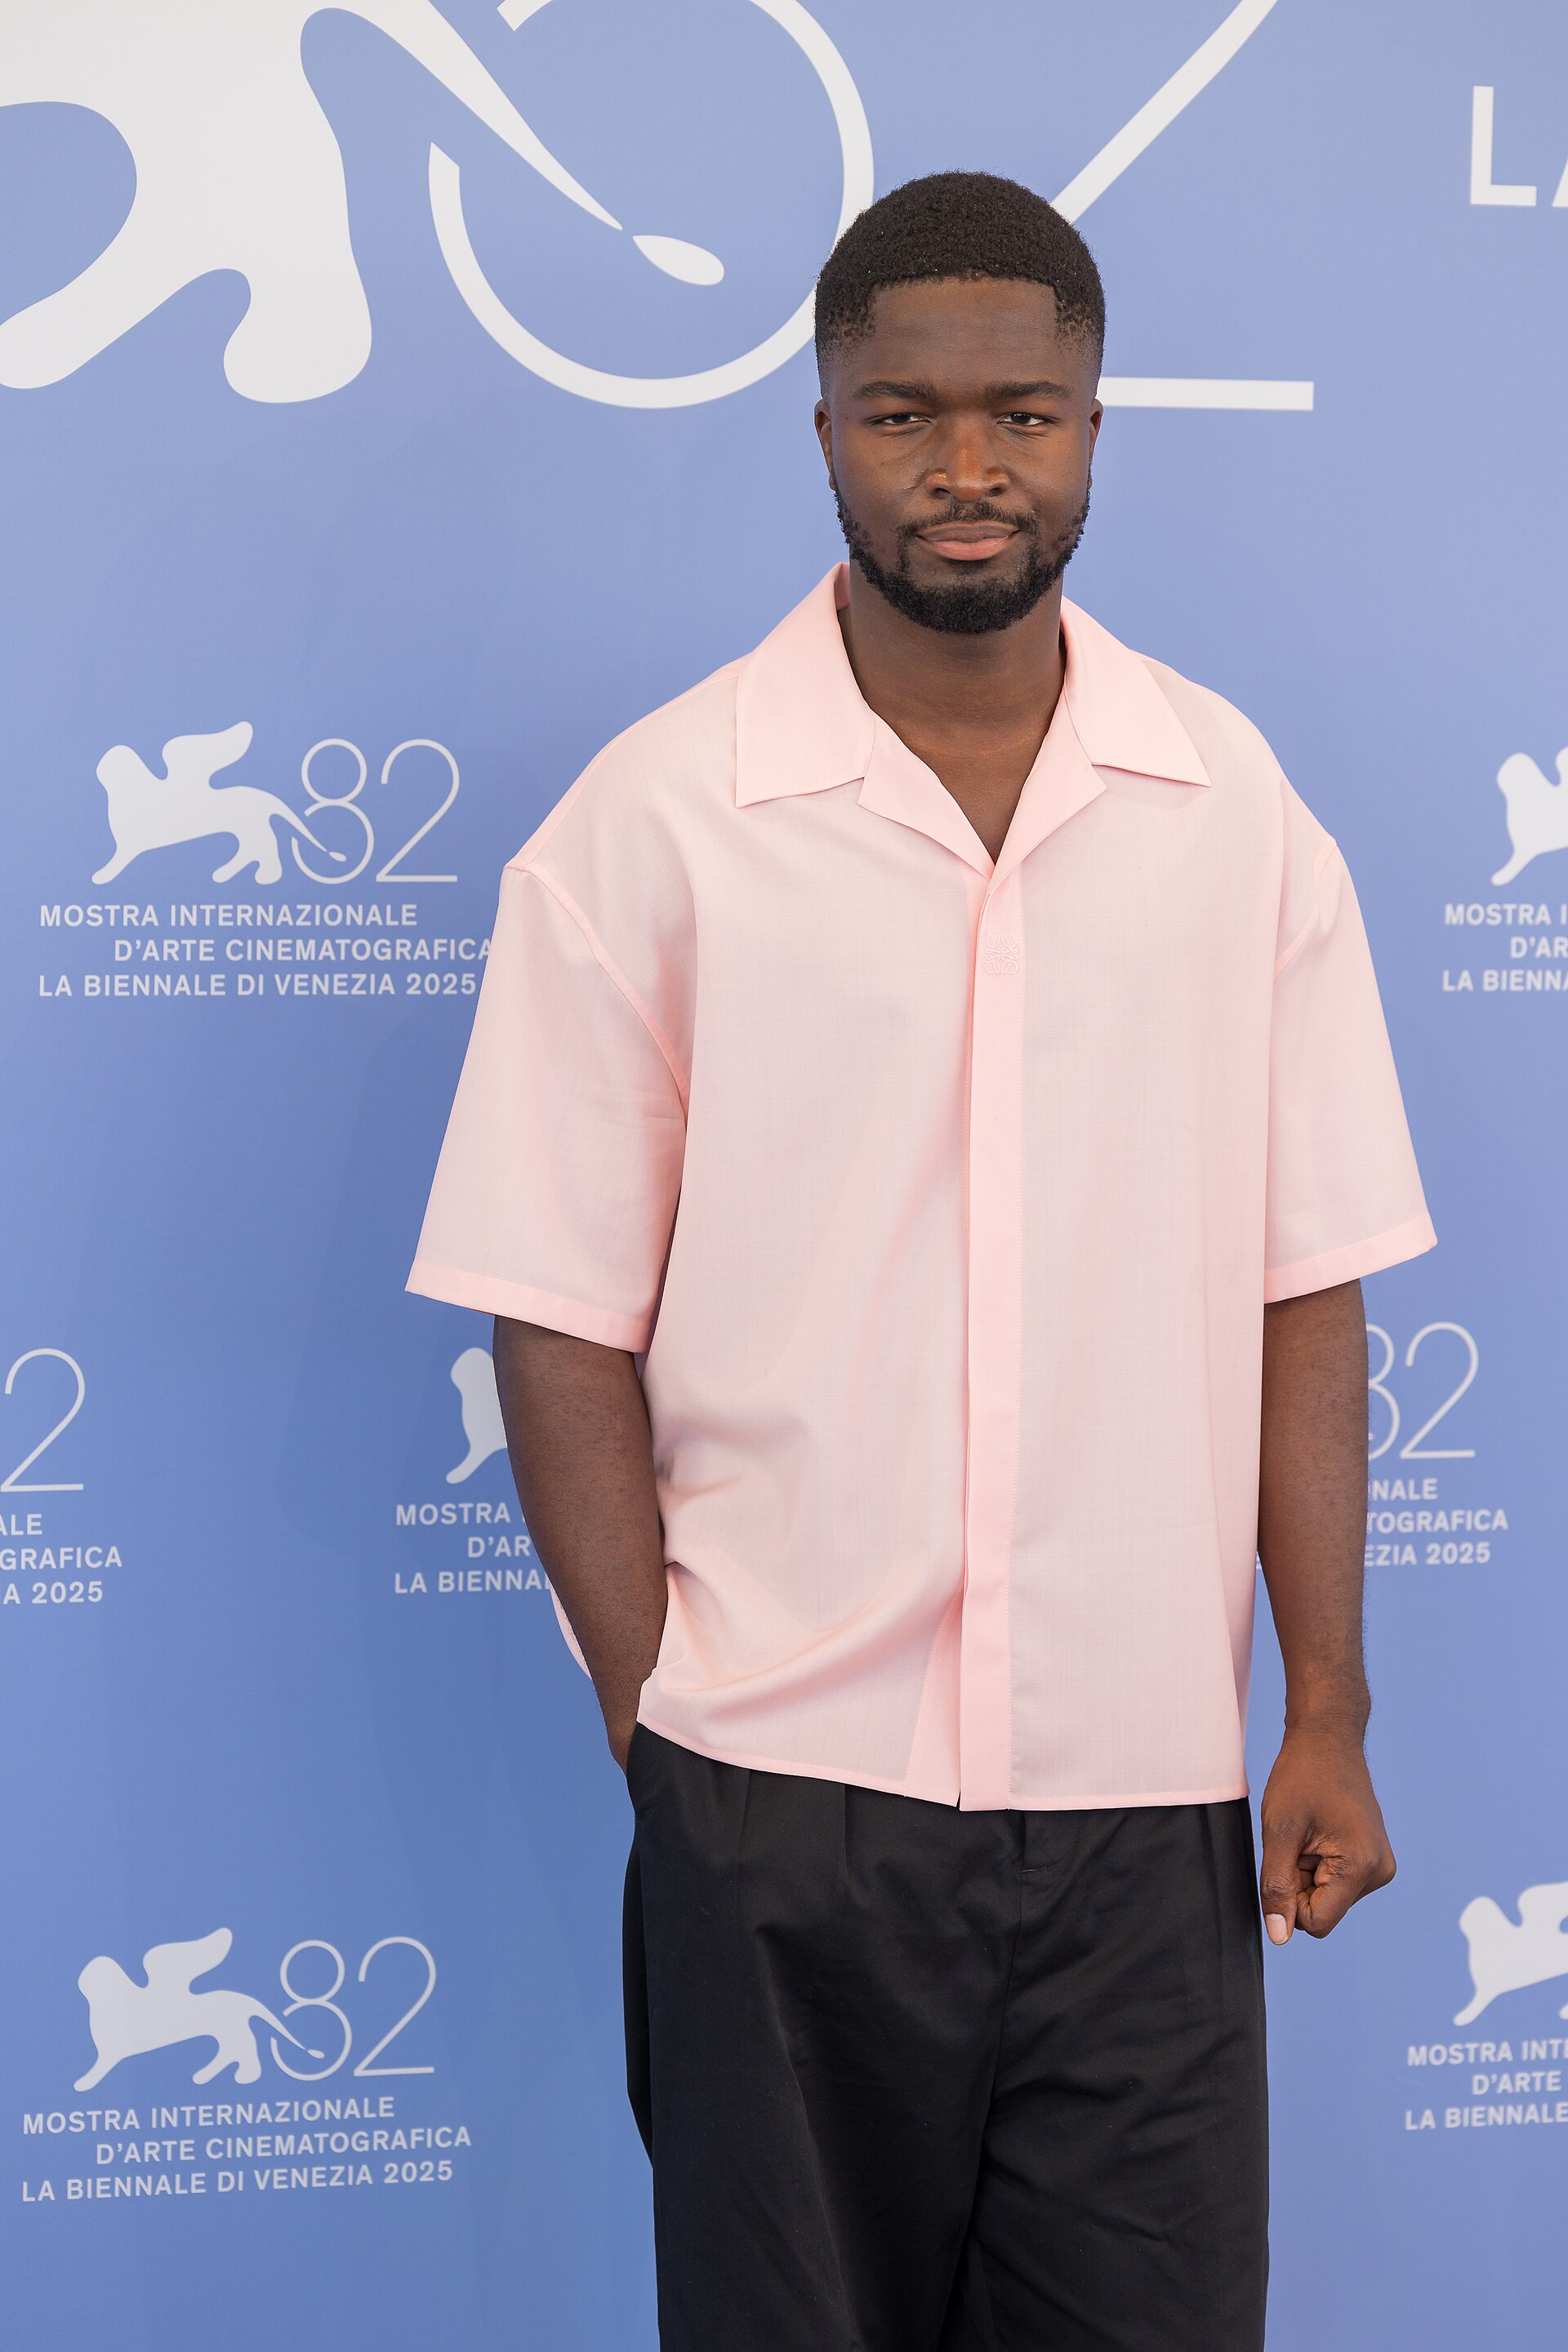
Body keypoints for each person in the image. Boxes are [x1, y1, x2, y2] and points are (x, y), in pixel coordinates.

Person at [409, 172, 1433, 2351]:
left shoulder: (1232, 810)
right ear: (823, 433)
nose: (967, 466)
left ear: (1094, 427)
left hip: (1144, 1814)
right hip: (777, 1803)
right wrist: (658, 1723)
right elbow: (555, 1313)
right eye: (904, 417)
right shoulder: (660, 820)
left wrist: (1323, 1702)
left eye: (1024, 415)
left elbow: (1308, 1284)